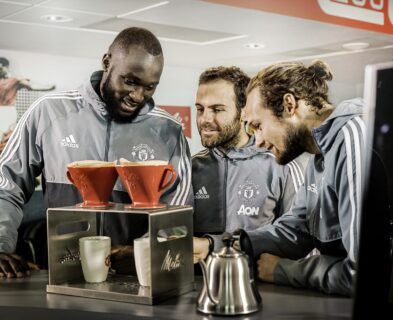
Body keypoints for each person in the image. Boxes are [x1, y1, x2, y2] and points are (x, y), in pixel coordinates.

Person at [0, 27, 192, 278]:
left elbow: (179, 212)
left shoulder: (169, 131)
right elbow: (6, 185)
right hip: (62, 275)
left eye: (150, 87)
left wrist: (143, 252)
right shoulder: (48, 113)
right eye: (130, 81)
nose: (137, 96)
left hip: (134, 278)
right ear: (106, 62)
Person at [242, 60, 365, 296]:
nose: (257, 141)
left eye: (257, 126)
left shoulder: (351, 139)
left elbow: (361, 274)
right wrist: (231, 244)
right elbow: (298, 231)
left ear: (289, 105)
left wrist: (284, 270)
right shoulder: (318, 157)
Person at [192, 66, 309, 262]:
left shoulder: (282, 165)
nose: (205, 119)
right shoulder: (191, 167)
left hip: (261, 286)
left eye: (217, 109)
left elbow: (299, 239)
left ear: (243, 112)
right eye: (200, 109)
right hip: (200, 285)